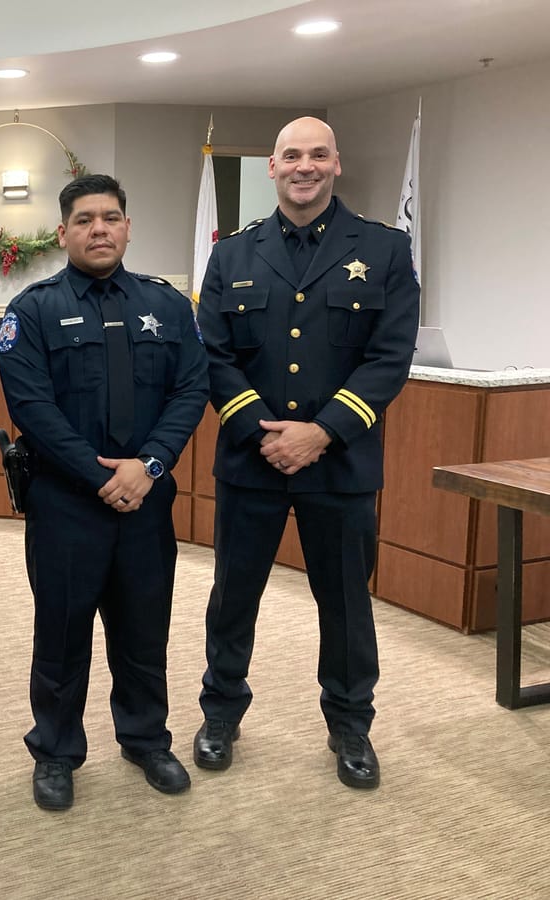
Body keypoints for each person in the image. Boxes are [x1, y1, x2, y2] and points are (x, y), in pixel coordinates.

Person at [194, 117, 420, 789]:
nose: (305, 166)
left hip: (341, 464)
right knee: (233, 596)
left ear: (336, 164)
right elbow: (213, 355)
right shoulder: (233, 254)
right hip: (252, 462)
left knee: (346, 604)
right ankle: (221, 712)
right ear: (272, 167)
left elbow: (390, 357)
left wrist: (321, 432)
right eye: (292, 155)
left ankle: (350, 724)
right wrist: (262, 432)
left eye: (318, 154)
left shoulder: (383, 249)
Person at [0, 174, 209, 810]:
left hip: (146, 500)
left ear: (127, 227)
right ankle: (55, 751)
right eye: (85, 220)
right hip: (66, 504)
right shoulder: (32, 311)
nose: (99, 229)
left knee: (144, 629)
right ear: (63, 232)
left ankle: (145, 739)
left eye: (110, 217)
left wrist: (149, 465)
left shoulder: (168, 305)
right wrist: (103, 476)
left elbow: (190, 390)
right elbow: (32, 408)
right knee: (61, 635)